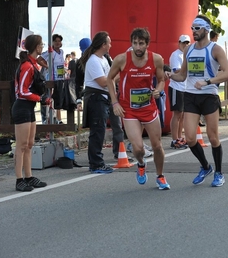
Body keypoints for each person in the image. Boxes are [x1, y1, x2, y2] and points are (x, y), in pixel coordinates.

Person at [167, 15, 228, 187]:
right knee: (190, 138)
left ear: (206, 29)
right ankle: (205, 167)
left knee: (212, 138)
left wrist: (208, 81)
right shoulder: (188, 49)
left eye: (197, 28)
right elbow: (182, 75)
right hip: (190, 95)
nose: (194, 31)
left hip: (209, 95)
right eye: (192, 28)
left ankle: (219, 173)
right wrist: (170, 75)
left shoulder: (215, 49)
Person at [106, 27, 170, 190]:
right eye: (135, 43)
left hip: (148, 108)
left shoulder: (156, 59)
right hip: (129, 109)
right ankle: (141, 164)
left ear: (147, 44)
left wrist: (158, 90)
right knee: (138, 148)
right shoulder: (121, 59)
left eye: (141, 43)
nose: (138, 47)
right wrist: (115, 102)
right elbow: (109, 79)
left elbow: (162, 80)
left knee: (157, 146)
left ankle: (160, 176)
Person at [12, 34, 50, 192]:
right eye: (41, 44)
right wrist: (39, 98)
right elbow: (22, 91)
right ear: (36, 46)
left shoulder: (33, 64)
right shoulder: (27, 66)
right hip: (22, 107)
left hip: (29, 107)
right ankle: (18, 179)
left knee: (29, 144)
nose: (43, 46)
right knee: (21, 146)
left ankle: (28, 176)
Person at [78, 31, 114, 174]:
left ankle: (97, 161)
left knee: (100, 130)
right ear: (103, 44)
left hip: (103, 98)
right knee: (97, 131)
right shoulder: (93, 60)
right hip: (95, 98)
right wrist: (115, 78)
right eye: (108, 42)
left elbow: (110, 77)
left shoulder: (104, 59)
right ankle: (96, 163)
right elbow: (103, 81)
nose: (110, 45)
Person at [168, 34, 190, 149]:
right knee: (177, 114)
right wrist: (188, 68)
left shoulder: (188, 55)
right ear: (179, 43)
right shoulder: (175, 55)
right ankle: (174, 139)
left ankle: (180, 137)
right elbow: (176, 71)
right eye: (183, 43)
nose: (185, 45)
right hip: (176, 87)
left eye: (187, 43)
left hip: (185, 87)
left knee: (182, 115)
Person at [41, 33, 65, 124]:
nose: (58, 43)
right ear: (52, 42)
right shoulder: (50, 52)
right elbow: (39, 60)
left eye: (59, 41)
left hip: (60, 78)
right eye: (56, 41)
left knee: (58, 99)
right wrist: (47, 67)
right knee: (49, 98)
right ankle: (47, 119)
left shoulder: (61, 52)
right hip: (52, 78)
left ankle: (57, 119)